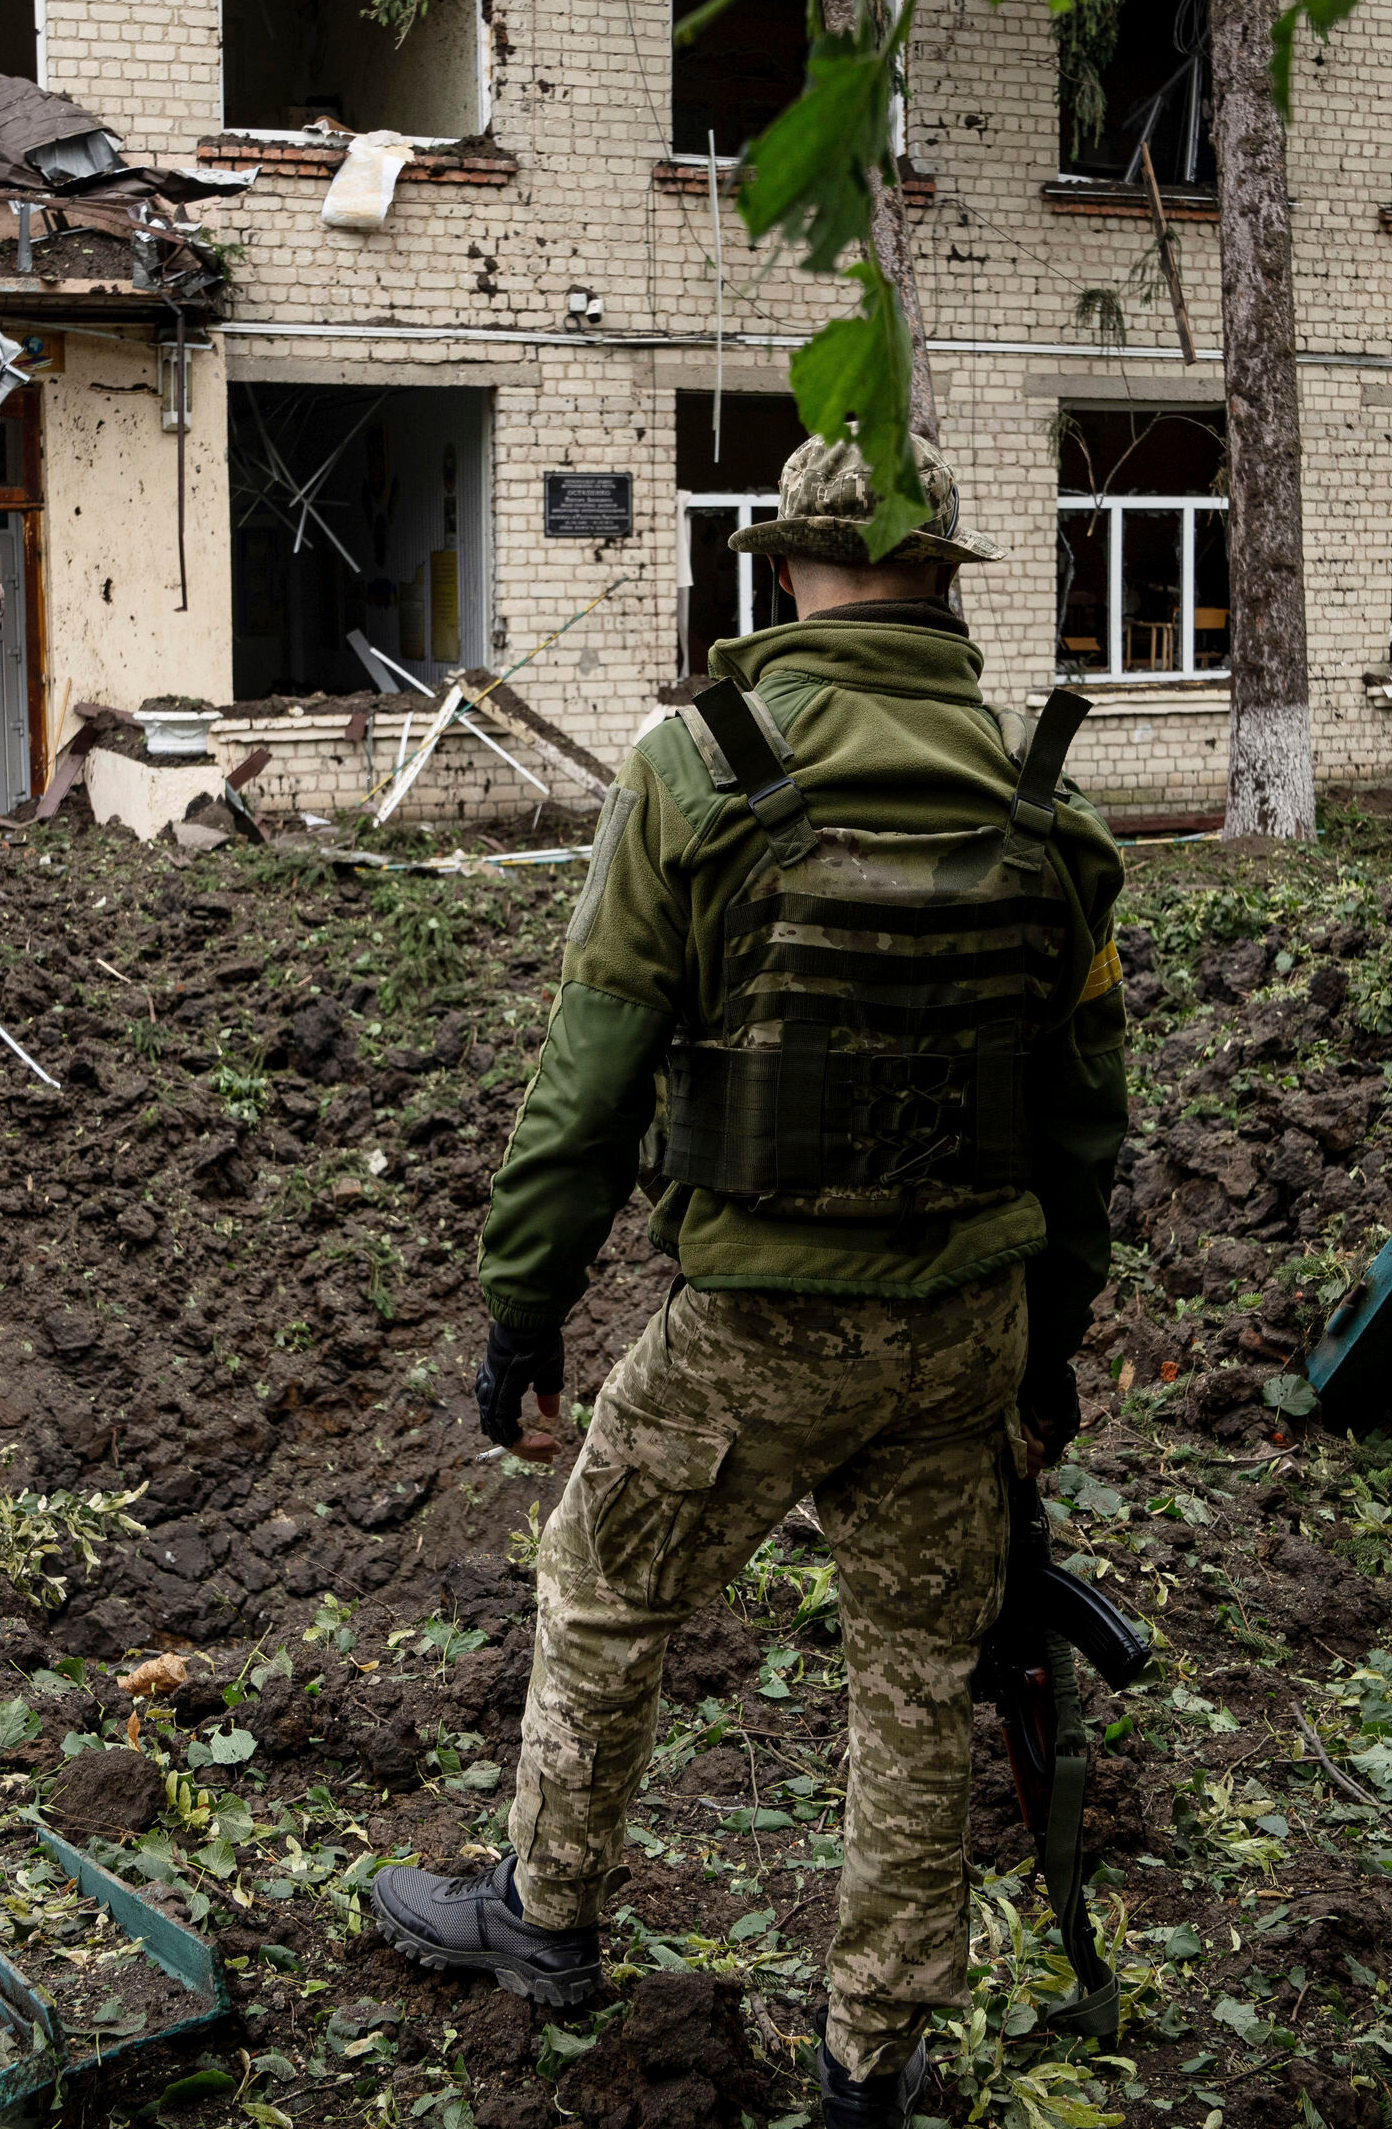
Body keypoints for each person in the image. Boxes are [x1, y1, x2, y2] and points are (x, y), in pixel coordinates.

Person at [368, 435, 1131, 2129]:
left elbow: (591, 1073)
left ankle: (546, 1913)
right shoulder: (1049, 804)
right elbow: (1087, 1123)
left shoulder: (695, 771)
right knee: (917, 1679)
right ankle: (874, 2060)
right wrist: (1050, 1353)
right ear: (941, 580)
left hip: (759, 1334)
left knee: (602, 1585)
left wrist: (524, 1309)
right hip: (968, 1331)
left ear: (783, 569)